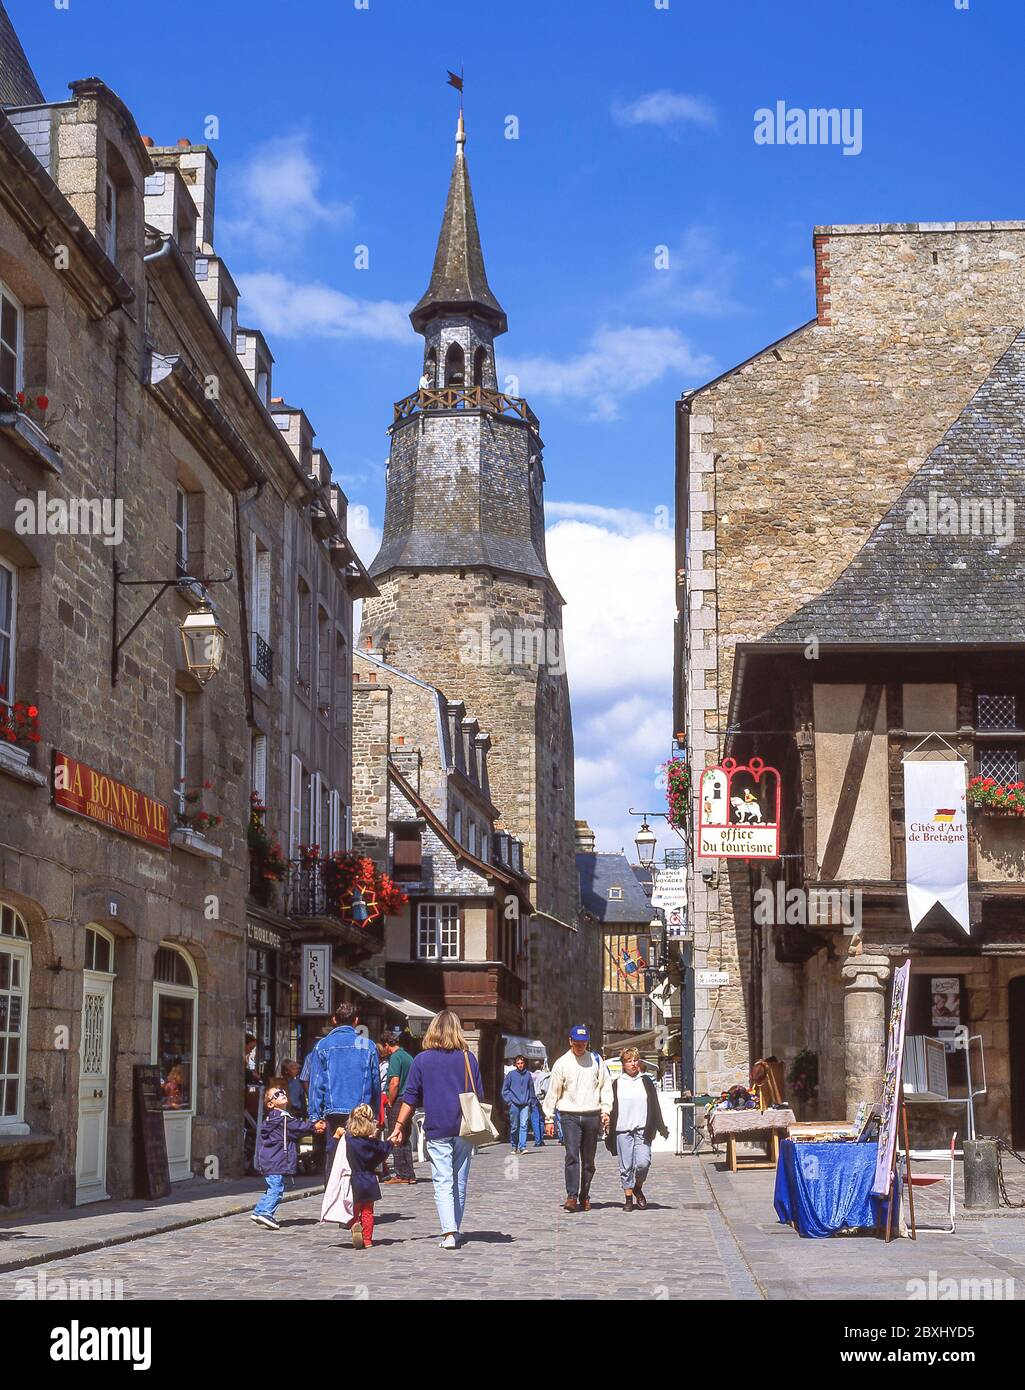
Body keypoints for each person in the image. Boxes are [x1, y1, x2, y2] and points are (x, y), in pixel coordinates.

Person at [388, 1009, 484, 1250]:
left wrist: (399, 1125)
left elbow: (410, 1097)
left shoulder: (422, 1060)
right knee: (459, 1181)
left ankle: (449, 1233)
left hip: (437, 1126)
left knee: (442, 1180)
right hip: (464, 1126)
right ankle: (456, 1229)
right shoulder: (467, 1058)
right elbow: (478, 1094)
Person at [543, 1025, 613, 1213]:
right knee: (572, 1155)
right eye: (577, 1042)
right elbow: (553, 1092)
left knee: (589, 1161)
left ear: (587, 1042)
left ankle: (585, 1194)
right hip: (569, 1115)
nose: (580, 1046)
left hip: (591, 1114)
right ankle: (572, 1196)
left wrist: (606, 1110)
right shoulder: (562, 1063)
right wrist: (549, 1118)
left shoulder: (596, 1061)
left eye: (583, 1043)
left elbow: (606, 1087)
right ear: (570, 1041)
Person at [303, 1004, 382, 1162]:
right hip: (361, 1111)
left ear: (334, 1019)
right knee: (359, 1158)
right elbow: (376, 1084)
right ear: (356, 1021)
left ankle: (334, 1187)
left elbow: (316, 1084)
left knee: (335, 1158)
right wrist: (376, 1114)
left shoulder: (322, 1046)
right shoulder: (368, 1046)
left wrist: (315, 1116)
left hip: (334, 1111)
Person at [251, 1078, 325, 1230]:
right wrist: (313, 1126)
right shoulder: (281, 1118)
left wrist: (311, 1128)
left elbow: (294, 1131)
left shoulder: (276, 1118)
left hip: (270, 1159)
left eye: (283, 1092)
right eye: (277, 1094)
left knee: (271, 1187)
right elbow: (298, 1126)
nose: (282, 1093)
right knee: (277, 1189)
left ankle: (258, 1211)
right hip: (276, 1159)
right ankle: (266, 1213)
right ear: (271, 1104)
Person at [605, 1048, 670, 1211]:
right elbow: (612, 1108)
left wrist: (661, 1127)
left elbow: (654, 1105)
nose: (633, 1064)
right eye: (629, 1061)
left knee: (643, 1163)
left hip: (642, 1129)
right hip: (622, 1130)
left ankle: (637, 1187)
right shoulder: (617, 1083)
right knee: (625, 1166)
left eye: (635, 1060)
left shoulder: (646, 1081)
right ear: (623, 1064)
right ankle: (628, 1199)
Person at [339, 1104, 393, 1249]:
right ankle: (368, 1240)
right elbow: (384, 1149)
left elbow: (338, 1145)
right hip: (370, 1180)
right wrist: (391, 1142)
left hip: (354, 1179)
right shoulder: (373, 1144)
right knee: (368, 1212)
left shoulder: (349, 1141)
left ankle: (354, 1224)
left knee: (354, 1209)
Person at [381, 1031, 416, 1184]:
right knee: (405, 1136)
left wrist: (390, 1100)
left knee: (395, 1136)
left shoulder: (395, 1057)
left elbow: (394, 1081)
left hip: (399, 1099)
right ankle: (409, 1174)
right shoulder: (408, 1056)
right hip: (409, 1099)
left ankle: (401, 1174)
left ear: (387, 1045)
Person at [501, 1055, 534, 1153]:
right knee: (514, 1126)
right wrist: (509, 1101)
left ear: (524, 1064)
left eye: (522, 1063)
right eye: (518, 1063)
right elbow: (505, 1090)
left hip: (525, 1104)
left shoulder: (528, 1075)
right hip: (514, 1104)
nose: (520, 1065)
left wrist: (531, 1102)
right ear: (515, 1064)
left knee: (524, 1125)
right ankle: (514, 1145)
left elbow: (531, 1089)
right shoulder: (511, 1075)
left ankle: (522, 1146)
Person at [529, 1060, 548, 1148]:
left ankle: (537, 1140)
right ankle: (541, 1139)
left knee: (535, 1119)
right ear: (540, 1067)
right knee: (541, 1119)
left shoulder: (530, 1075)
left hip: (533, 1098)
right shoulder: (545, 1075)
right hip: (543, 1098)